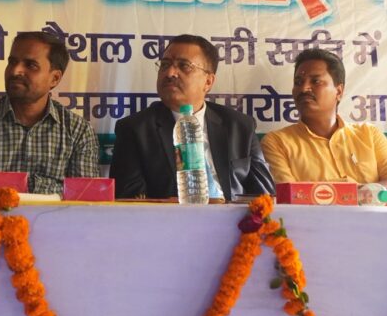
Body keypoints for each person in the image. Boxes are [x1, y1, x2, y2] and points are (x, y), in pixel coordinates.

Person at [110, 34, 274, 201]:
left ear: (208, 82)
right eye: (165, 65)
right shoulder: (135, 129)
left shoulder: (240, 126)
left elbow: (266, 198)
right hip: (170, 217)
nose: (170, 73)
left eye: (184, 66)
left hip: (234, 216)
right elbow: (129, 202)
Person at [0, 31, 100, 194]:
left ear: (55, 78)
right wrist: (55, 189)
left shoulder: (78, 131)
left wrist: (16, 186)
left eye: (31, 65)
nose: (15, 71)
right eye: (12, 62)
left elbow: (83, 198)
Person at [261, 49, 387, 186]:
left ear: (338, 91)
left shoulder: (369, 134)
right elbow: (290, 195)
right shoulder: (277, 142)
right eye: (298, 82)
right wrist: (356, 190)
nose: (304, 88)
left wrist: (360, 193)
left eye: (315, 81)